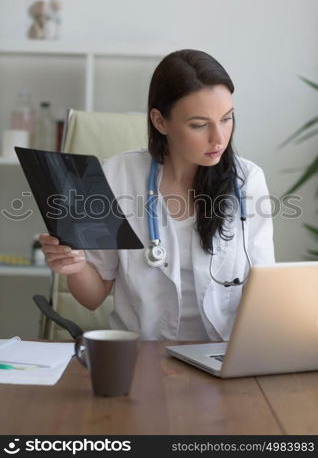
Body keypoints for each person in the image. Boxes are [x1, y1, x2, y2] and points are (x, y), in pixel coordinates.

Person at [39, 49, 275, 341]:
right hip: (142, 358)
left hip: (224, 356)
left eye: (227, 119)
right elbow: (93, 296)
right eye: (199, 125)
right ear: (160, 121)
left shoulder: (247, 180)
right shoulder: (113, 177)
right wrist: (74, 266)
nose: (219, 138)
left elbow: (266, 291)